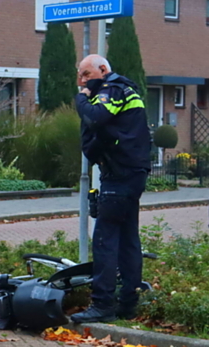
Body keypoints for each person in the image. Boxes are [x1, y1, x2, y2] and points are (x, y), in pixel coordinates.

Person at [70, 54, 151, 324]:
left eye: (87, 75)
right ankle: (128, 303)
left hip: (120, 176)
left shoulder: (112, 90)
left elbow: (96, 117)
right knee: (128, 240)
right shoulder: (126, 90)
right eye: (80, 76)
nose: (82, 81)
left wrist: (81, 98)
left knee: (105, 240)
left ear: (103, 70)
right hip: (130, 173)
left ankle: (102, 304)